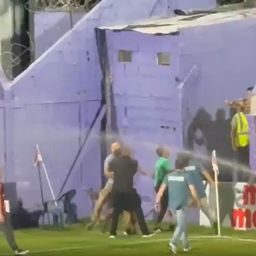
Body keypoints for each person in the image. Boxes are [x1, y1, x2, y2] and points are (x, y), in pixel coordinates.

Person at [155, 153, 200, 254]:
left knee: (182, 225)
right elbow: (193, 190)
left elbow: (161, 191)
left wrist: (157, 201)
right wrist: (197, 201)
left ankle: (186, 246)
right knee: (180, 226)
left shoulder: (169, 176)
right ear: (184, 166)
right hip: (180, 206)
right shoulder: (187, 176)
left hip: (172, 206)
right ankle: (173, 243)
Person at [86, 142, 136, 233]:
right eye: (116, 149)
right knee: (101, 200)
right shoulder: (109, 159)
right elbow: (106, 173)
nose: (118, 150)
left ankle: (129, 227)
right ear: (112, 149)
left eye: (119, 148)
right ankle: (94, 220)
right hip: (111, 185)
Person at [106, 146, 153, 238]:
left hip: (116, 190)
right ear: (129, 153)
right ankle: (145, 232)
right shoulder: (133, 162)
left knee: (116, 211)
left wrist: (116, 174)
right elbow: (133, 172)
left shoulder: (114, 161)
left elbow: (108, 170)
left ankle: (112, 233)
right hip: (128, 190)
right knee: (138, 208)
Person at [182, 153, 217, 233]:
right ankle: (215, 224)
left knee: (181, 208)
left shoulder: (183, 166)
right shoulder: (197, 164)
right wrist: (211, 182)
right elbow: (205, 173)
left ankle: (179, 226)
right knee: (206, 210)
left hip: (189, 192)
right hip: (200, 191)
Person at [0, 169, 29, 255]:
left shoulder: (1, 183)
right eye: (1, 170)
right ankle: (16, 249)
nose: (2, 172)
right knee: (8, 230)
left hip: (4, 211)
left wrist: (7, 211)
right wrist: (0, 214)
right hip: (1, 212)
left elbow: (3, 198)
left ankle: (16, 249)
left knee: (8, 229)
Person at [153, 146, 173, 231]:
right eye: (167, 150)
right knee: (166, 206)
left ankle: (172, 224)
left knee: (166, 205)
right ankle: (157, 226)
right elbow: (171, 171)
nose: (169, 151)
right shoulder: (165, 161)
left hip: (157, 185)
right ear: (163, 153)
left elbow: (154, 174)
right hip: (162, 185)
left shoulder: (158, 161)